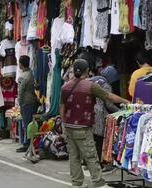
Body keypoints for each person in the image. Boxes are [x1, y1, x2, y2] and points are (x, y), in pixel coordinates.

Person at [60, 59, 129, 188]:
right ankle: (98, 183)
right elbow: (109, 97)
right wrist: (125, 101)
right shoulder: (90, 86)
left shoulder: (65, 87)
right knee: (91, 155)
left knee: (74, 157)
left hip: (69, 127)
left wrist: (64, 124)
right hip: (83, 127)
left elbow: (62, 107)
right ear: (87, 71)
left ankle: (76, 183)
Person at [89, 70, 119, 173]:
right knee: (101, 141)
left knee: (94, 140)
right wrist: (120, 112)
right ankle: (102, 165)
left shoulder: (95, 82)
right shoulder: (106, 86)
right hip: (101, 115)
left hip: (91, 113)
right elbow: (109, 104)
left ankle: (92, 164)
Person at [16, 55, 38, 153]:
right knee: (30, 123)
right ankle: (29, 142)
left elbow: (20, 92)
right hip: (32, 100)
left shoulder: (23, 76)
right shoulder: (31, 73)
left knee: (26, 123)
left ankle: (26, 144)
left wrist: (20, 102)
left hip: (26, 102)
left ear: (21, 64)